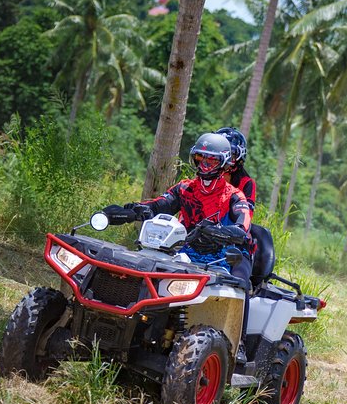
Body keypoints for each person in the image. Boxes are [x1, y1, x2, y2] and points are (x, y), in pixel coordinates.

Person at [106, 132, 253, 362]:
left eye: (211, 160)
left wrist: (219, 232)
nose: (204, 165)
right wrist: (131, 210)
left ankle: (237, 344)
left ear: (223, 163)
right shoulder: (185, 188)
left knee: (238, 288)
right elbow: (159, 205)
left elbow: (242, 227)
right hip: (183, 253)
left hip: (220, 259)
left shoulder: (235, 196)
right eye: (200, 159)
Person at [217, 127, 256, 214]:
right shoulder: (205, 174)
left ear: (240, 156)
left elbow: (246, 215)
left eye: (230, 155)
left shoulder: (247, 183)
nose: (225, 159)